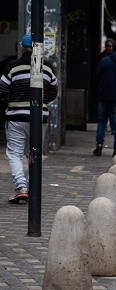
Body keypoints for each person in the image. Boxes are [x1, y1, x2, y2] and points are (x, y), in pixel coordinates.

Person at [1, 34, 59, 203]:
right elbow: (54, 91)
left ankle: (21, 187)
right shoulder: (46, 68)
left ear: (22, 48)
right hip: (39, 117)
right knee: (33, 152)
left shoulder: (12, 67)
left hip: (16, 117)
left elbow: (2, 88)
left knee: (14, 153)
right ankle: (33, 187)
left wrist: (11, 99)